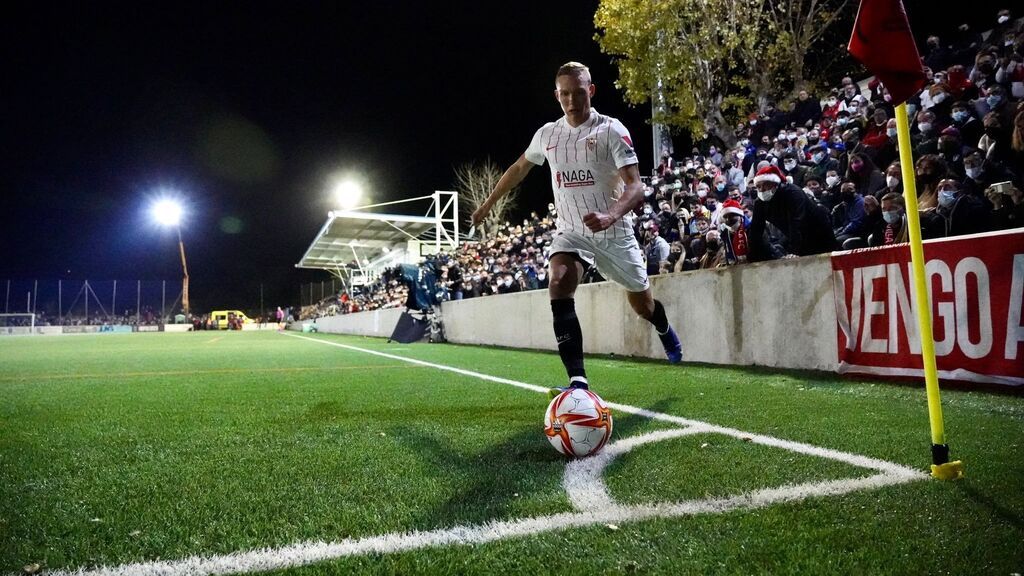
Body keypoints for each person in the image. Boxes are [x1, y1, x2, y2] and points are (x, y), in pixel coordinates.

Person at [471, 62, 683, 397]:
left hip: (614, 234)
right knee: (558, 282)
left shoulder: (611, 130)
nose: (572, 101)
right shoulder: (547, 134)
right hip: (571, 231)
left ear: (591, 91)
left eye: (579, 93)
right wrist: (487, 205)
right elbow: (518, 168)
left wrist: (610, 215)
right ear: (556, 95)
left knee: (643, 307)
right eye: (565, 94)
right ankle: (578, 382)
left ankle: (663, 325)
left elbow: (636, 187)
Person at [748, 165, 837, 261]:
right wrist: (751, 256)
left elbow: (796, 222)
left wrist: (794, 251)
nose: (761, 189)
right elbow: (756, 229)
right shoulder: (760, 202)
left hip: (819, 231)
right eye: (758, 186)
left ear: (775, 184)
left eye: (765, 185)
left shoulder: (793, 193)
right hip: (796, 236)